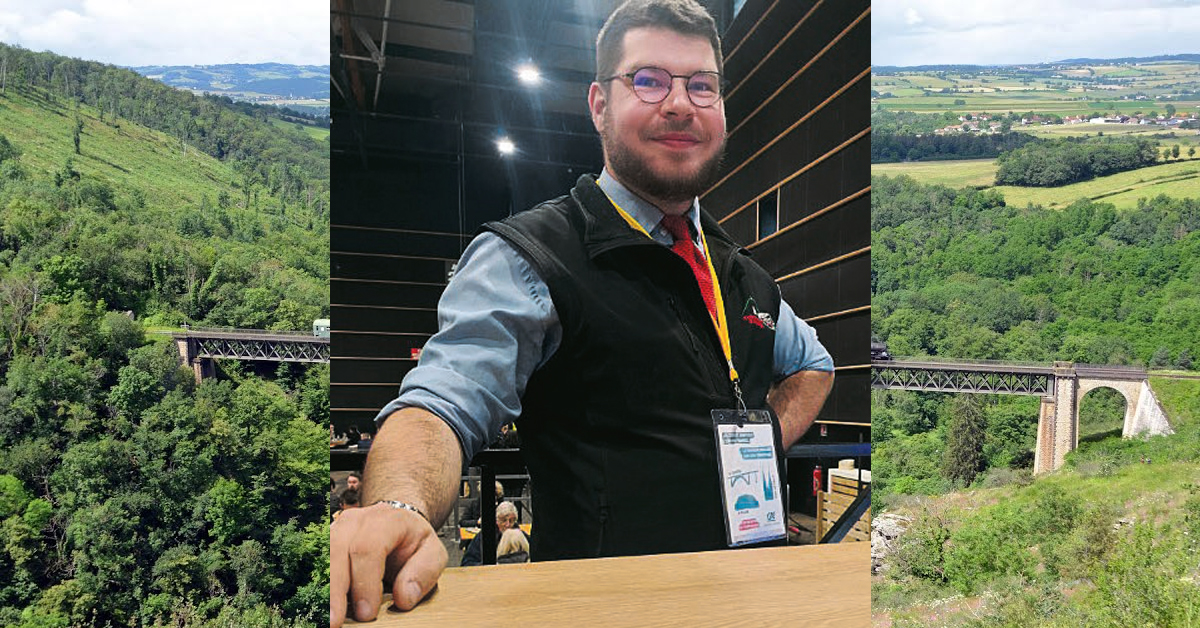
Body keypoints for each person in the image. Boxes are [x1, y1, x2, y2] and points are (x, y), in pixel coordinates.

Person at [330, 1, 834, 624]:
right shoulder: (530, 257)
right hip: (604, 607)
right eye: (648, 80)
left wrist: (761, 438)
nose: (679, 103)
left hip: (749, 593)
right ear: (598, 104)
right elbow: (441, 402)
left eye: (701, 85)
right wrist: (399, 508)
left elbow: (814, 364)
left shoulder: (742, 271)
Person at [460, 501, 522, 567]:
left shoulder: (521, 536)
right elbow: (467, 563)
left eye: (511, 521)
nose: (507, 524)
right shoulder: (484, 537)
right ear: (496, 520)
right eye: (503, 520)